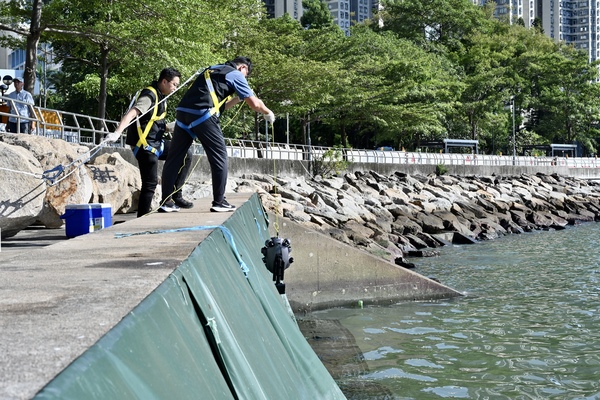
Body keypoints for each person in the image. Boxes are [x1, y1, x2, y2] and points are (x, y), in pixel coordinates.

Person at [161, 56, 275, 212]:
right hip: (203, 115)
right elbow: (255, 103)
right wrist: (267, 112)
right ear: (242, 68)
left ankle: (166, 203)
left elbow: (218, 106)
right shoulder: (235, 74)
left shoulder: (211, 70)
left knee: (174, 158)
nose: (245, 78)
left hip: (183, 113)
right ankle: (219, 202)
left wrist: (236, 99)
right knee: (220, 157)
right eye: (246, 75)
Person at [104, 67, 194, 217]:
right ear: (164, 81)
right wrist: (117, 133)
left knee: (186, 154)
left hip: (157, 142)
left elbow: (152, 123)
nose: (175, 88)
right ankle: (141, 217)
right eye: (174, 85)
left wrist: (171, 127)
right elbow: (132, 113)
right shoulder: (149, 96)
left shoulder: (162, 97)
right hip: (144, 146)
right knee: (150, 183)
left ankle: (173, 197)